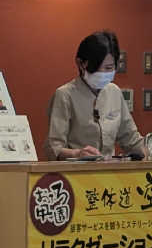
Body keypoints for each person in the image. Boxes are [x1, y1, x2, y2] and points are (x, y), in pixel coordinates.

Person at [46, 30, 145, 161]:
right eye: (97, 67)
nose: (103, 73)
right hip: (76, 174)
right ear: (81, 64)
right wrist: (77, 154)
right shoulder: (65, 95)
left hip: (110, 175)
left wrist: (150, 153)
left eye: (109, 68)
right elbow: (54, 148)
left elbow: (131, 139)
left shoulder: (114, 92)